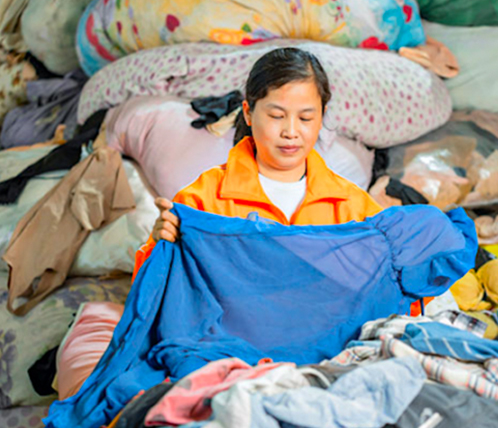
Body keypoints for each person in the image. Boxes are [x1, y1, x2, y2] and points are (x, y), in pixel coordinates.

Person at [133, 47, 382, 280]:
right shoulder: (203, 201)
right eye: (276, 116)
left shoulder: (353, 207)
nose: (291, 131)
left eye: (306, 117)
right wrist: (160, 245)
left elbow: (396, 288)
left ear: (322, 116)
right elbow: (154, 296)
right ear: (248, 113)